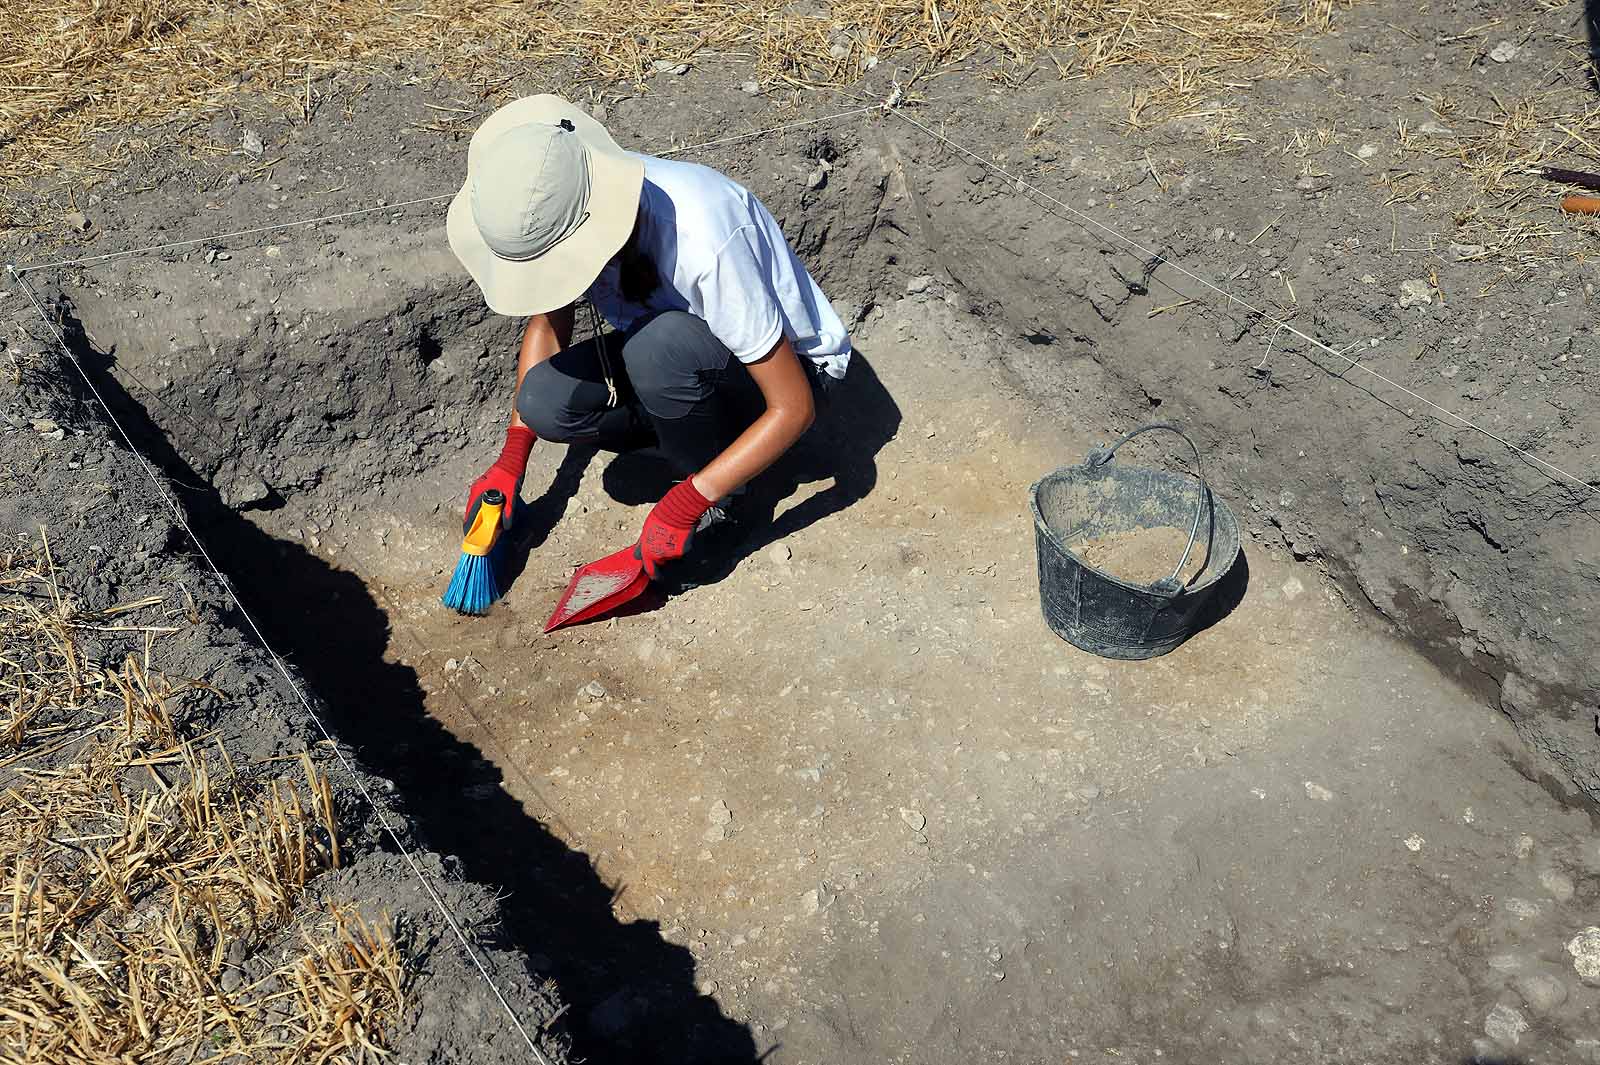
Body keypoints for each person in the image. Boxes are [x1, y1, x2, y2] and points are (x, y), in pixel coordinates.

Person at [448, 95, 851, 583]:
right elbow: (548, 324)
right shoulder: (566, 203)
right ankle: (700, 444)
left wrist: (686, 503)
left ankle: (732, 497)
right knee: (543, 400)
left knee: (659, 348)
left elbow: (795, 406)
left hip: (791, 378)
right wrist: (512, 460)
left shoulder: (703, 235)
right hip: (680, 356)